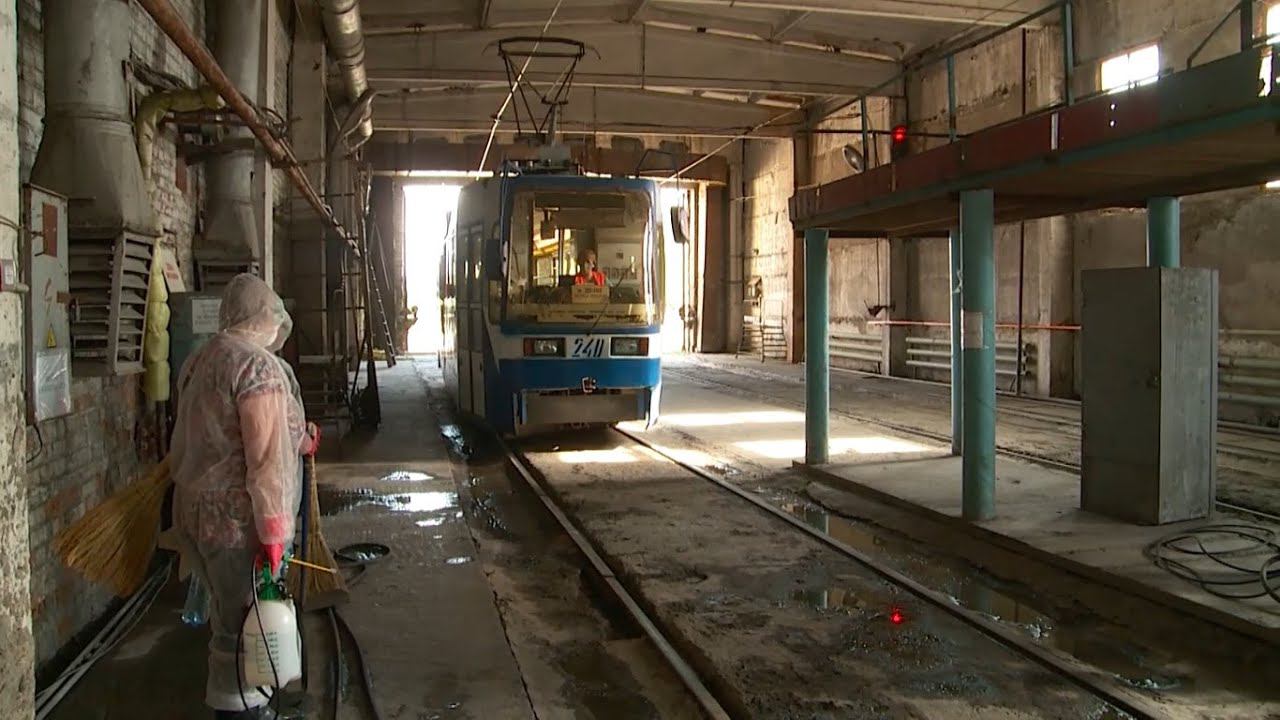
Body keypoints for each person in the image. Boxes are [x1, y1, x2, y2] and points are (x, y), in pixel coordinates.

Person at [170, 274, 317, 720]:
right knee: (248, 629)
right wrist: (274, 532)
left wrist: (298, 439)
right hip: (240, 522)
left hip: (197, 514)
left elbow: (201, 439)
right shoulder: (258, 369)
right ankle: (244, 711)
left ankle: (243, 704)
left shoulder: (200, 359)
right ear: (263, 318)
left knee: (228, 617)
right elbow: (267, 459)